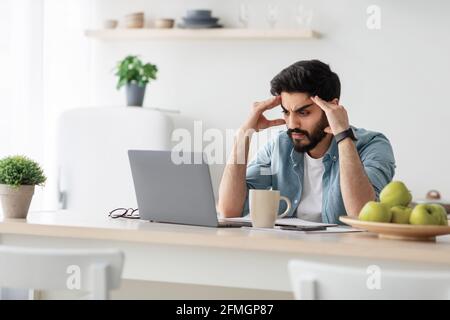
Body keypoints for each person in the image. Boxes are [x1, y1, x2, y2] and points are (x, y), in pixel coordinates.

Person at [217, 60, 396, 224]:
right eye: (286, 112)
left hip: (347, 255)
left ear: (332, 108)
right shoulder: (279, 146)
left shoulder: (372, 145)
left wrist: (343, 136)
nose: (292, 124)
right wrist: (244, 135)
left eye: (303, 113)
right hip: (291, 252)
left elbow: (361, 214)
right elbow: (229, 210)